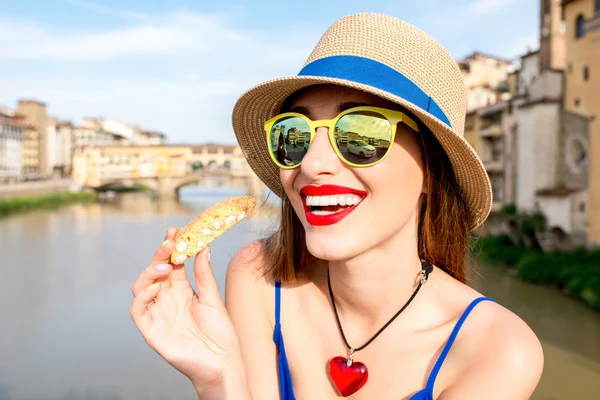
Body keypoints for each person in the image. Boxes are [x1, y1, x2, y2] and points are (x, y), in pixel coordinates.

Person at [129, 13, 544, 399]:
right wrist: (219, 376)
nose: (312, 163)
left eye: (362, 134)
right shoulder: (256, 276)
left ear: (432, 172)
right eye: (294, 134)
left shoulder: (498, 351)